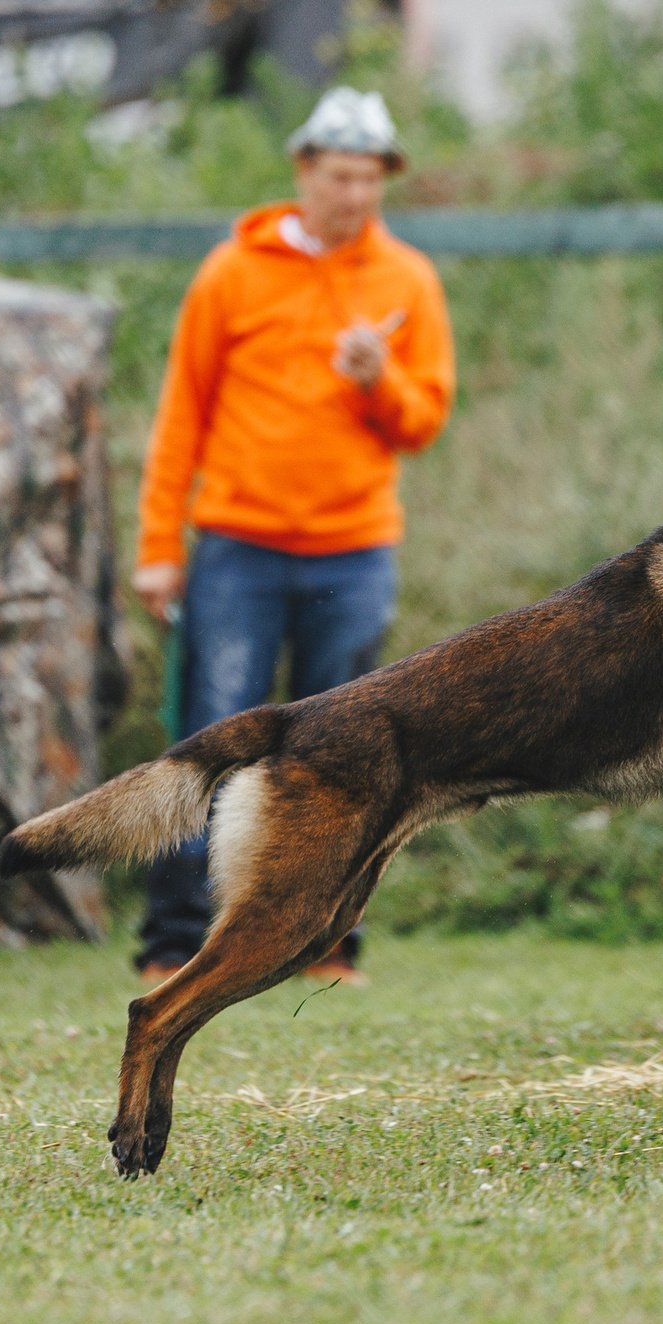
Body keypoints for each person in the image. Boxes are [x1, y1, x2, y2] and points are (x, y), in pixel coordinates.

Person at [132, 88, 455, 985]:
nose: (355, 194)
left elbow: (423, 421)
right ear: (304, 170)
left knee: (344, 752)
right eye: (340, 174)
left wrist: (376, 381)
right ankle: (173, 938)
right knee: (213, 733)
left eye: (370, 178)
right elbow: (179, 416)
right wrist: (159, 544)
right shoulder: (231, 272)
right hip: (238, 545)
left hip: (354, 550)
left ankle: (323, 940)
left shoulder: (409, 280)